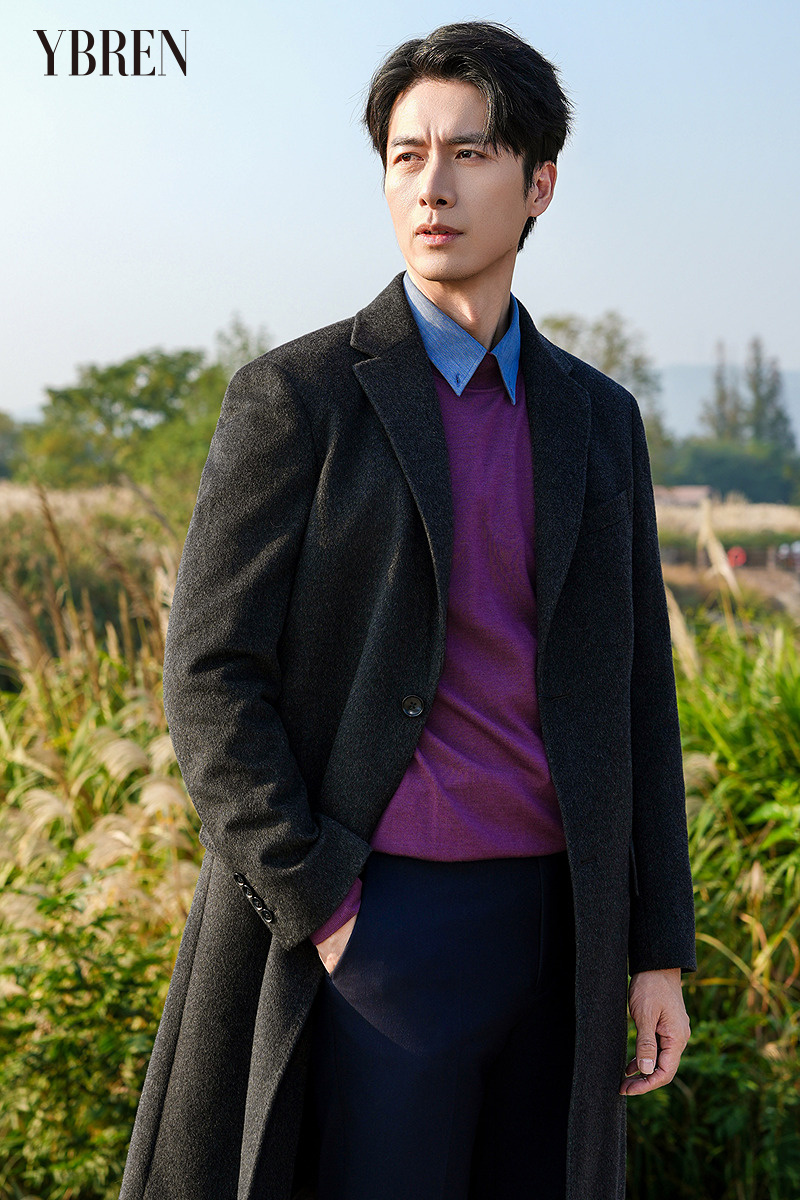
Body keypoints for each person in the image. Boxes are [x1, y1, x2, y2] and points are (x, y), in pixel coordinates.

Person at [119, 21, 695, 1200]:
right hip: (377, 920)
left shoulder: (597, 420)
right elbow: (209, 674)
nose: (431, 187)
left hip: (560, 925)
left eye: (468, 153)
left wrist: (655, 951)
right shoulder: (296, 397)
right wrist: (319, 898)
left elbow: (636, 691)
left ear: (537, 184)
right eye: (405, 155)